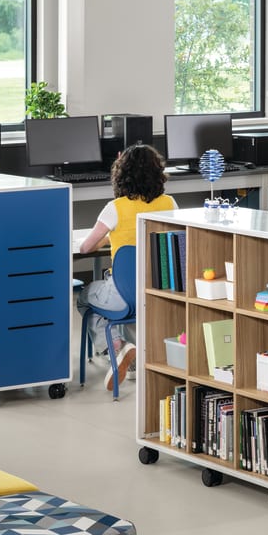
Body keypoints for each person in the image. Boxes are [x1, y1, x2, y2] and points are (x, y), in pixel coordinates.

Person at [77, 143, 178, 390]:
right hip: (160, 292)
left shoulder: (116, 208)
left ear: (122, 174)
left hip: (123, 296)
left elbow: (85, 248)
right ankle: (131, 359)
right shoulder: (170, 203)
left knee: (85, 297)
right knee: (130, 304)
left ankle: (116, 347)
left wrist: (107, 237)